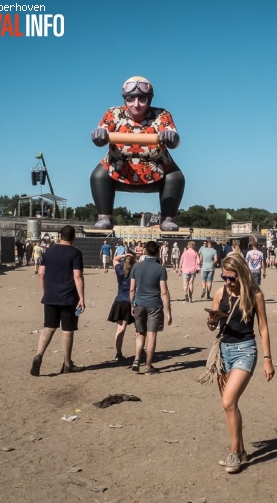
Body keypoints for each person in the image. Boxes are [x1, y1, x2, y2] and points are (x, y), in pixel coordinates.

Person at [206, 253, 274, 474]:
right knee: (230, 406)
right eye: (224, 277)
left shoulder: (255, 295)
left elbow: (263, 327)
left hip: (245, 350)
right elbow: (212, 327)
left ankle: (234, 454)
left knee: (228, 401)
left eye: (232, 278)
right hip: (224, 351)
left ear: (242, 274)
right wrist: (212, 320)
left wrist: (267, 359)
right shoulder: (220, 293)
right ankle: (241, 450)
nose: (228, 282)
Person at [90, 76, 184, 231]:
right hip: (118, 170)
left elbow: (174, 140)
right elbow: (102, 135)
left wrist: (171, 137)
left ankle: (167, 218)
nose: (136, 104)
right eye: (130, 99)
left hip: (157, 171)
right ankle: (104, 216)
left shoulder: (162, 115)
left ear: (150, 99)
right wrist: (99, 134)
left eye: (142, 99)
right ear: (124, 99)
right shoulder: (113, 114)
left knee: (176, 177)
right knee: (98, 175)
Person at [30, 226, 85, 376]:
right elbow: (77, 276)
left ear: (60, 236)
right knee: (67, 330)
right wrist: (82, 297)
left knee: (48, 327)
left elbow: (41, 274)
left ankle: (39, 355)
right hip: (68, 297)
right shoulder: (75, 253)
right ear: (74, 238)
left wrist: (45, 292)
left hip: (50, 296)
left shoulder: (49, 251)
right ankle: (67, 364)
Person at [129, 241, 171, 374]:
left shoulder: (136, 267)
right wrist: (168, 311)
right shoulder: (160, 269)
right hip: (154, 304)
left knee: (140, 333)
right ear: (158, 251)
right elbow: (164, 291)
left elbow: (131, 289)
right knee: (151, 335)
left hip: (139, 303)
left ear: (145, 251)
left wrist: (132, 304)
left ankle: (136, 359)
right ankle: (148, 366)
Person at [107, 252, 136, 363]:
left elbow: (114, 260)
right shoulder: (135, 271)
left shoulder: (120, 270)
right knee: (139, 328)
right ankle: (140, 349)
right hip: (131, 301)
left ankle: (118, 353)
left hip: (120, 301)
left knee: (120, 328)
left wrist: (124, 255)